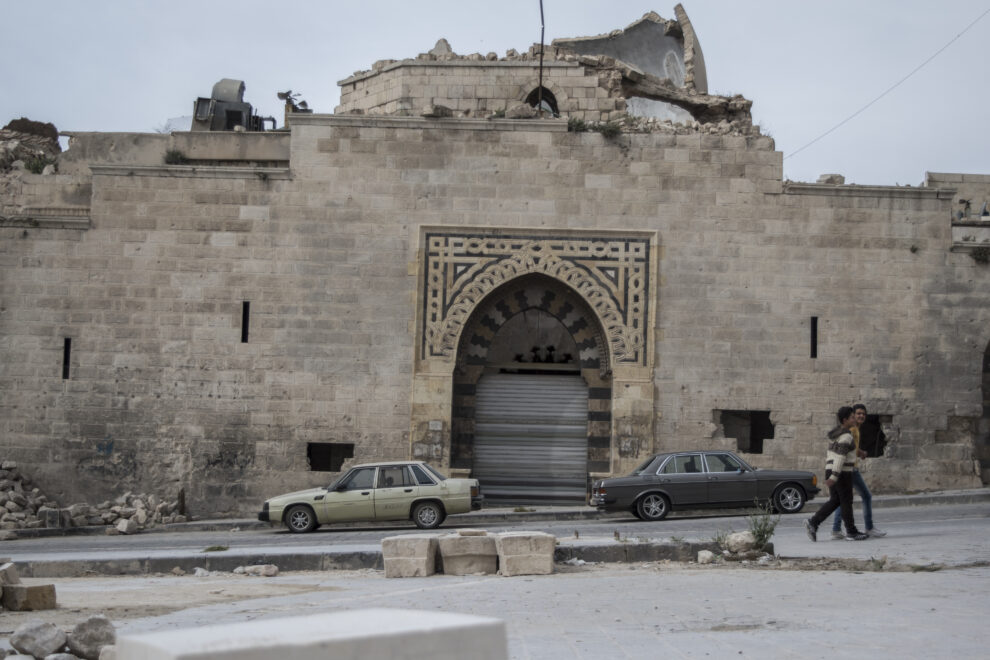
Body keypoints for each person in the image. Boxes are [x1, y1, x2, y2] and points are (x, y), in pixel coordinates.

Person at [805, 406, 868, 541]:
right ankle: (851, 531)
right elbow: (840, 456)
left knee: (836, 500)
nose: (854, 419)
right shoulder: (846, 436)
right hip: (842, 472)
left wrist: (831, 473)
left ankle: (813, 522)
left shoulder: (836, 434)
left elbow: (832, 455)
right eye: (852, 417)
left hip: (831, 469)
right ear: (845, 420)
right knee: (846, 501)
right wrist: (835, 476)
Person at [830, 403, 886, 539]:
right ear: (853, 416)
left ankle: (836, 529)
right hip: (850, 469)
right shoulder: (854, 429)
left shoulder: (854, 429)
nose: (861, 416)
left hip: (847, 468)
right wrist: (860, 453)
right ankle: (869, 527)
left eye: (863, 414)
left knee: (842, 499)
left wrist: (860, 452)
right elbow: (849, 448)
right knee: (866, 496)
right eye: (858, 413)